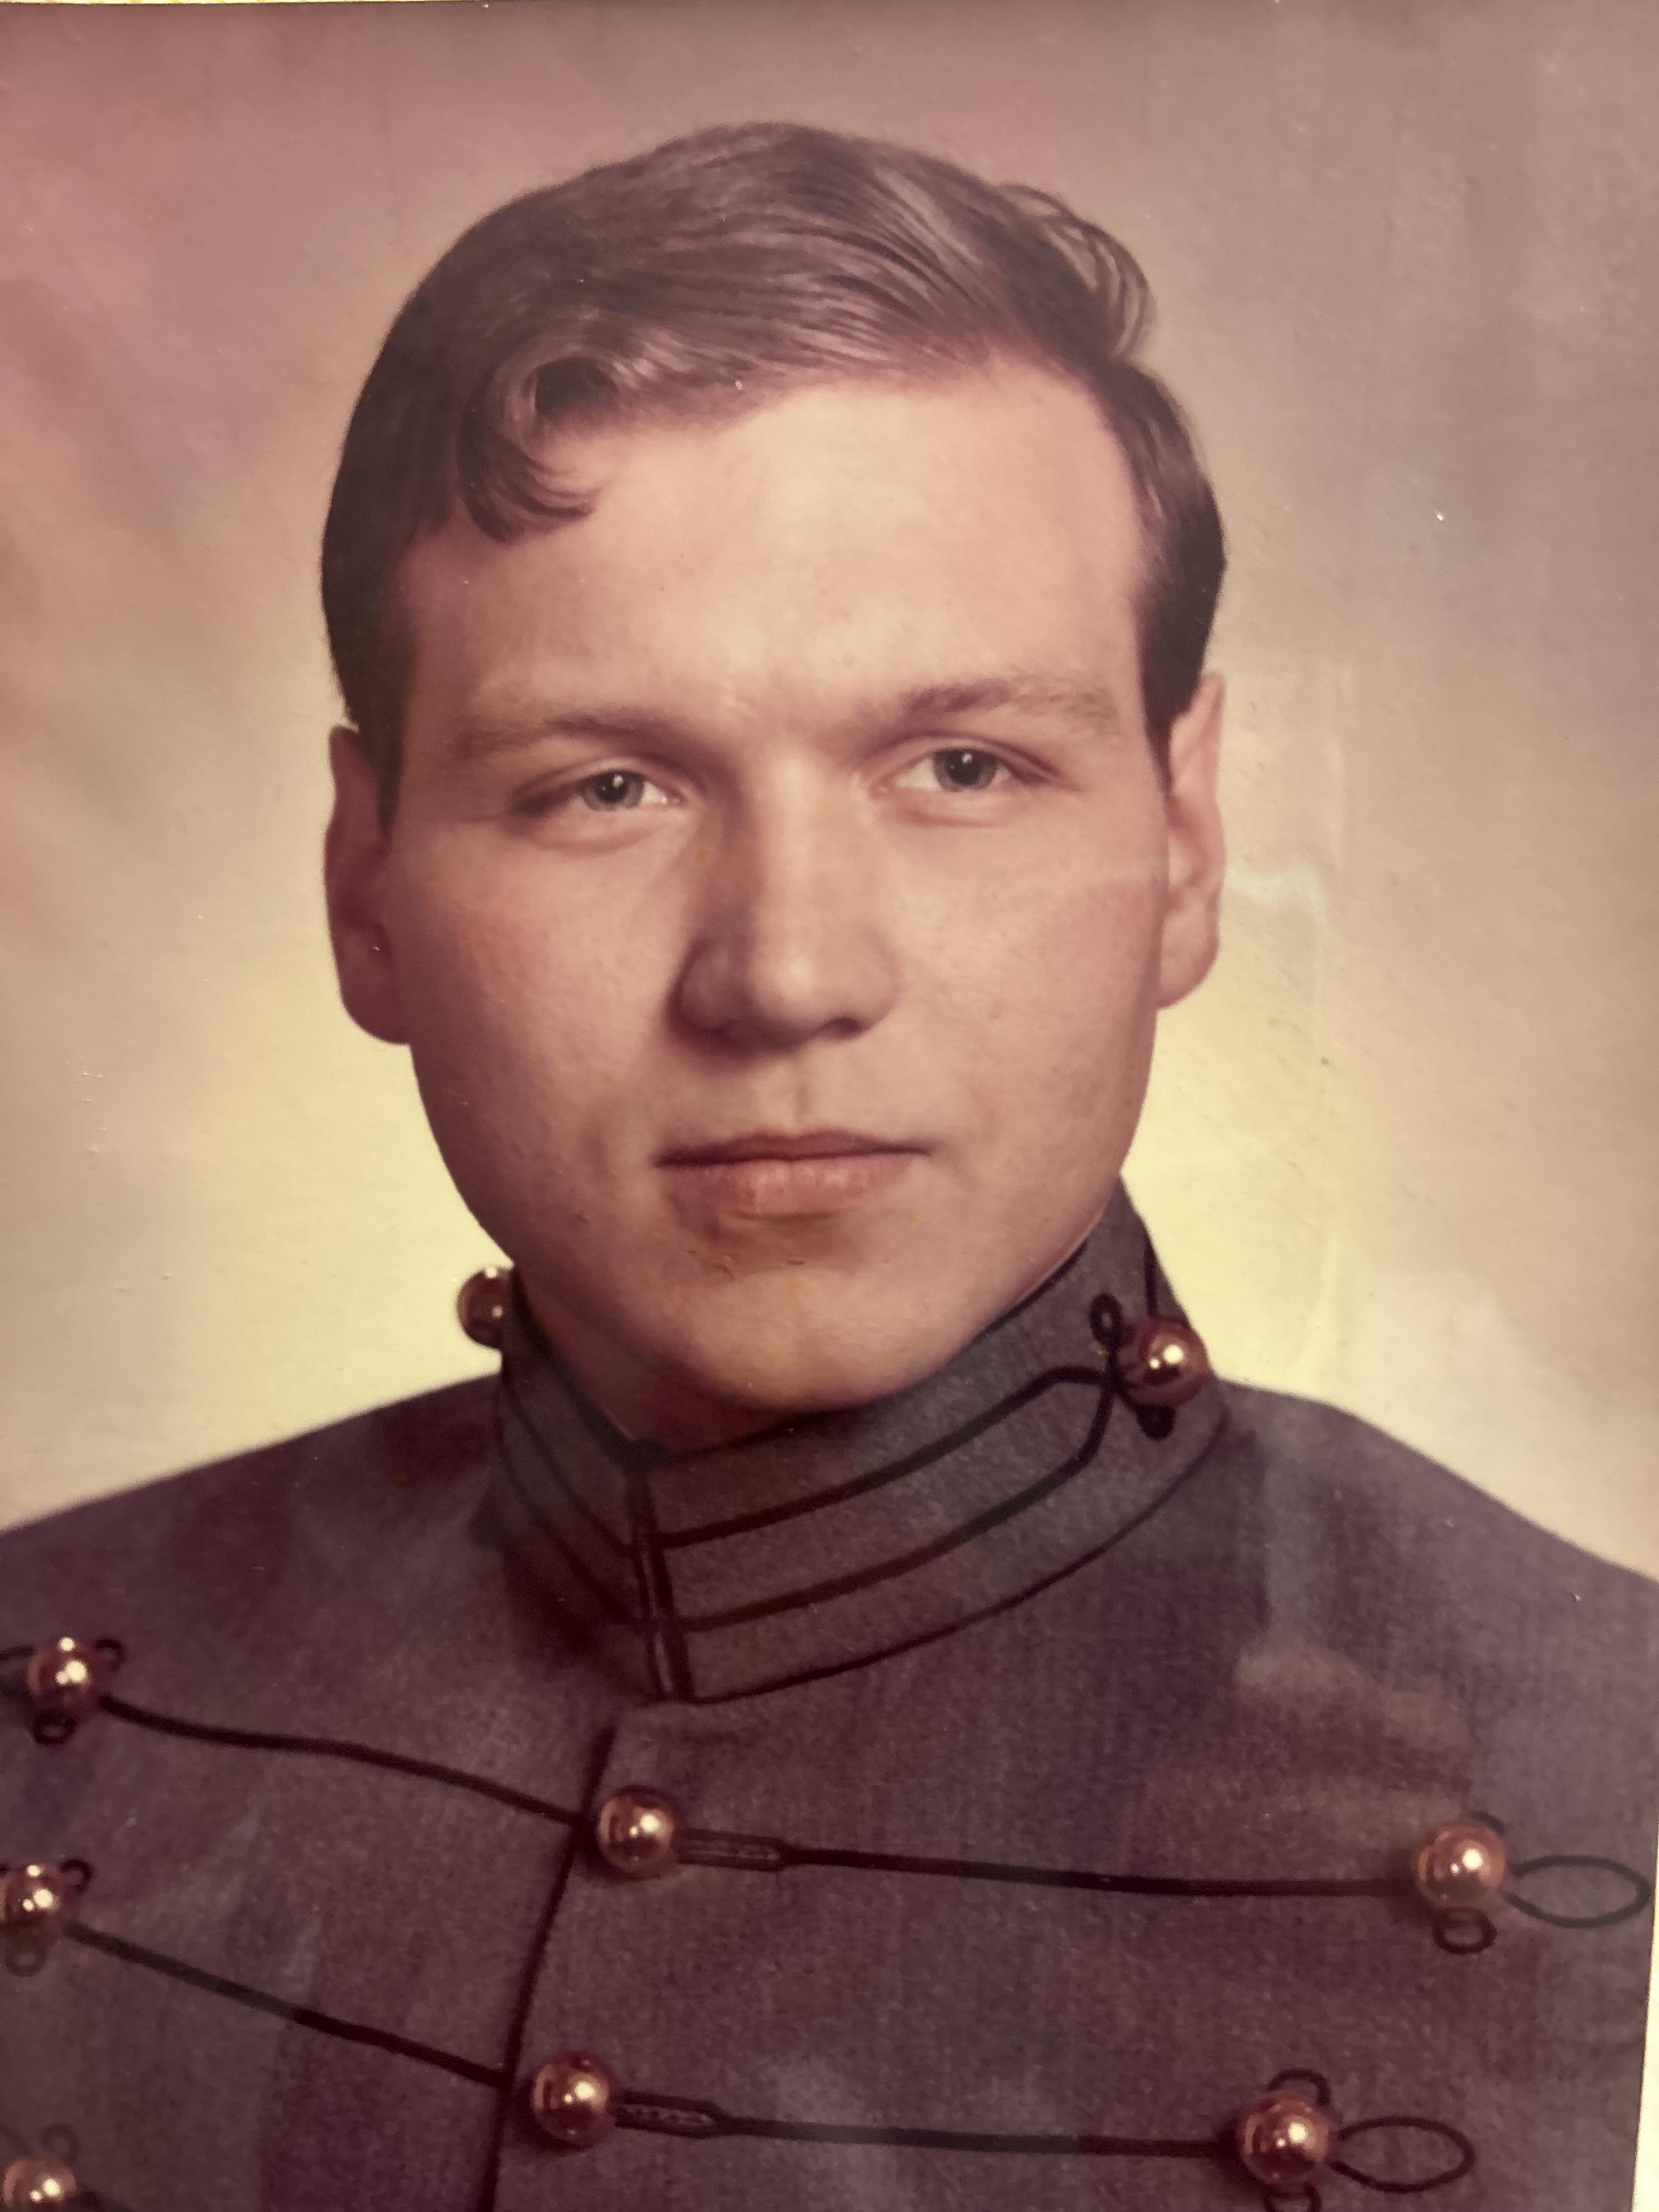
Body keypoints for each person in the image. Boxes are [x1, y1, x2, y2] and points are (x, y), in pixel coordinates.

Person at [1, 121, 1654, 2212]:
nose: (787, 973)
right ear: (366, 892)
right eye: (605, 784)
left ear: (1185, 843)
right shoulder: (42, 1648)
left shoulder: (1615, 1742)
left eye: (961, 767)